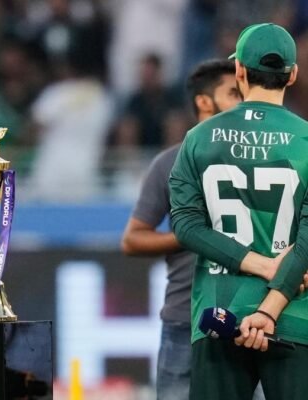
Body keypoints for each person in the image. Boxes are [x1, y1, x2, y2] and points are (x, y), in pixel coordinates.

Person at [169, 23, 308, 399]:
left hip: (220, 311)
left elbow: (185, 224)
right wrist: (270, 304)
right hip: (295, 317)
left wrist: (258, 264)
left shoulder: (198, 138)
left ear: (240, 72)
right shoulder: (306, 141)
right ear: (293, 75)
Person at [122, 59, 241, 400]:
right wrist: (189, 235)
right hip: (185, 314)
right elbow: (132, 239)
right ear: (204, 102)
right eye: (234, 93)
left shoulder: (260, 161)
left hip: (248, 316)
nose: (244, 101)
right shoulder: (169, 163)